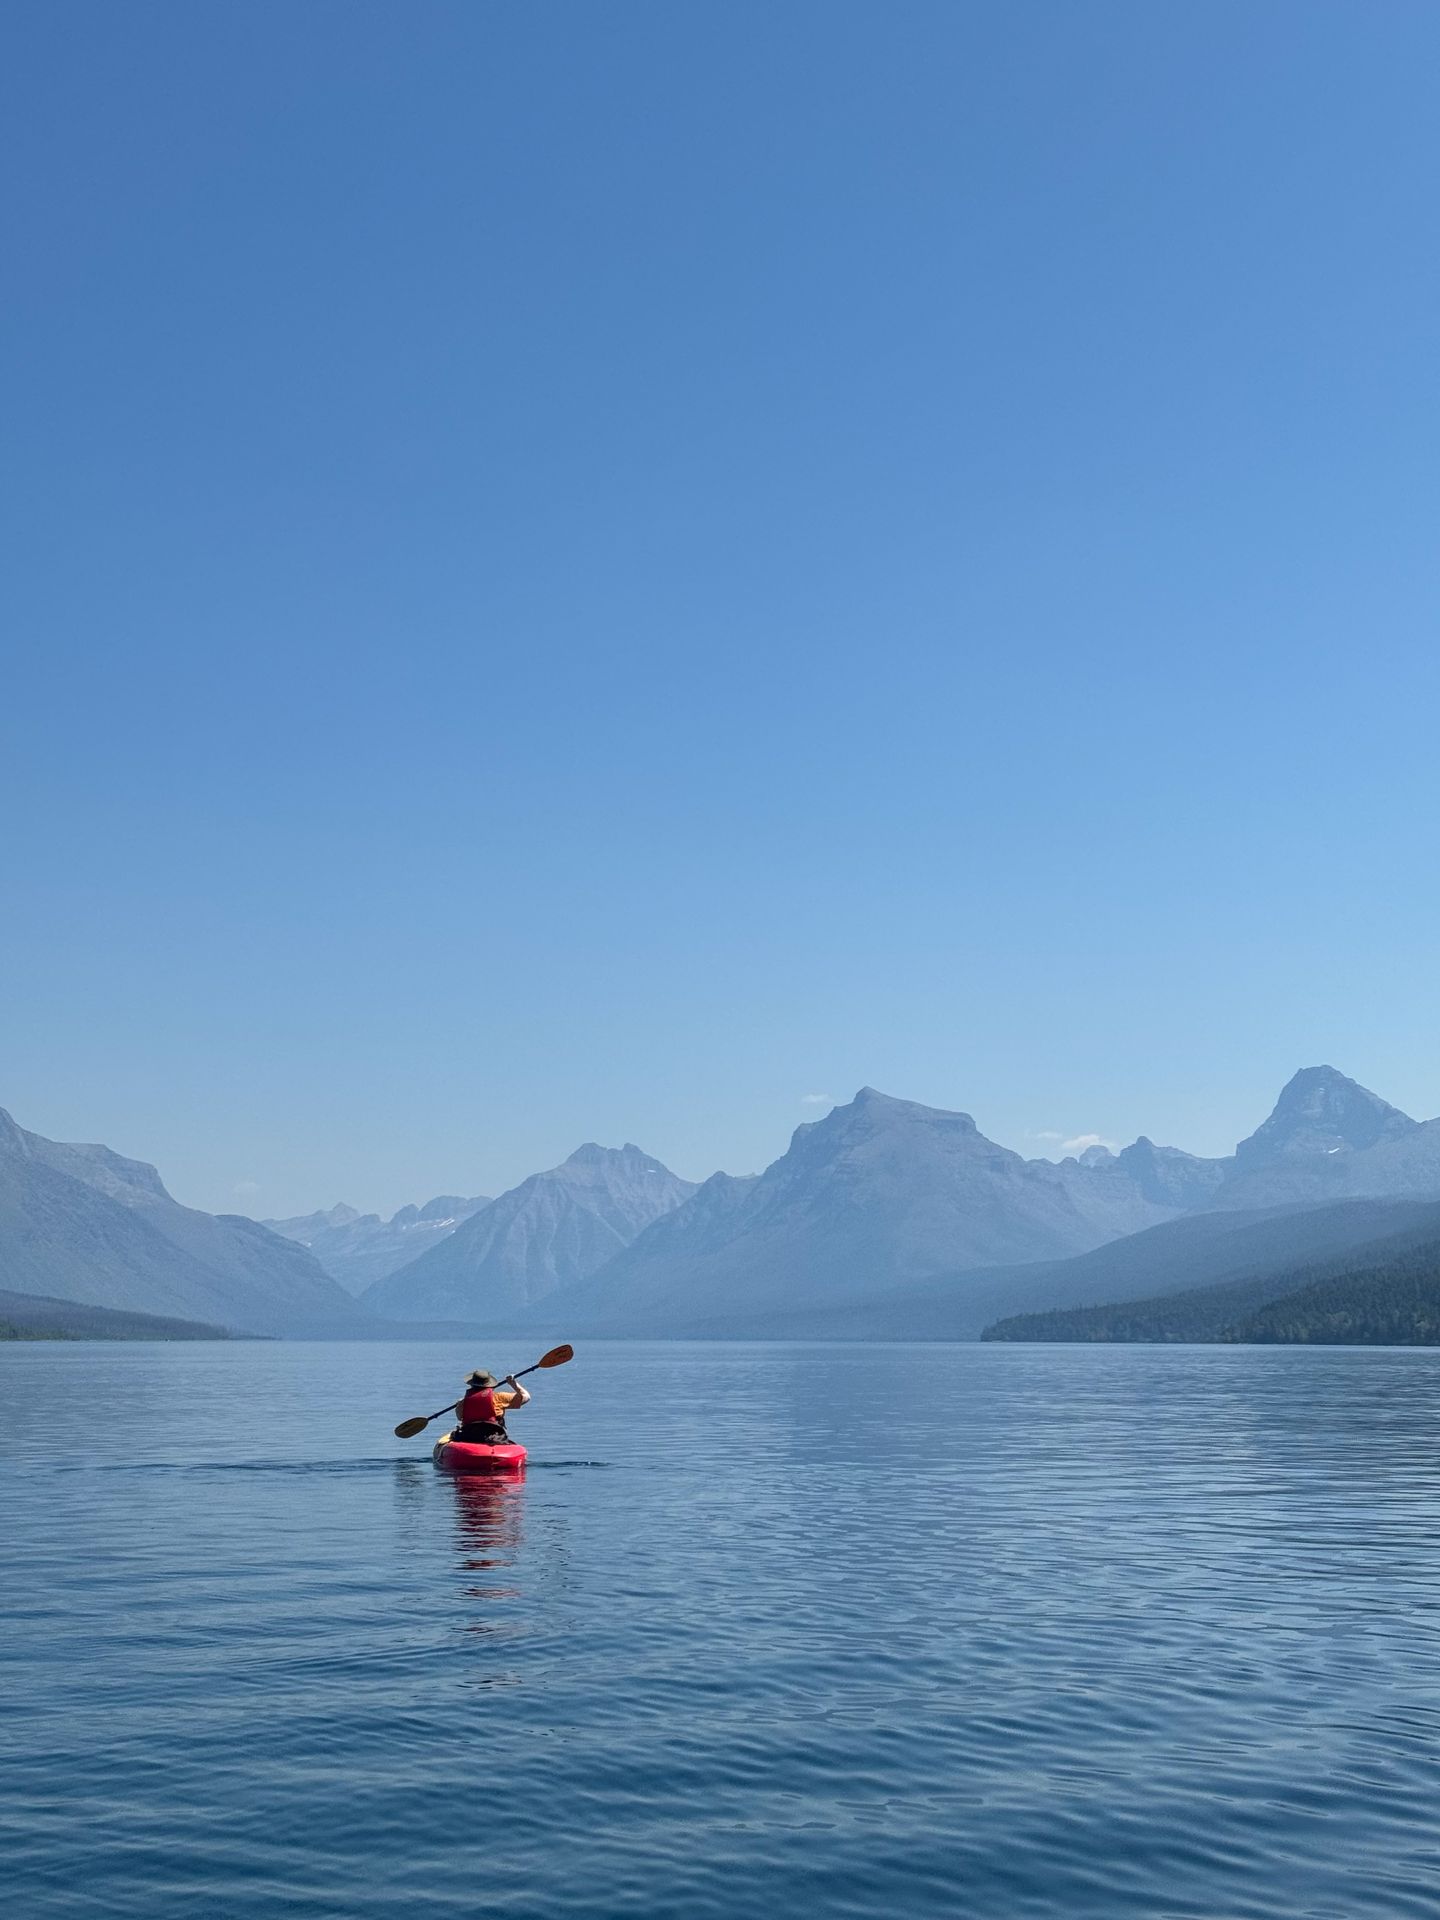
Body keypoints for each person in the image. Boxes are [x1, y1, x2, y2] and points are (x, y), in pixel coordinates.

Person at [452, 1368, 530, 1443]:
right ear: (490, 1384)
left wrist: (459, 1404)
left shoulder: (463, 1402)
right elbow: (526, 1397)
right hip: (494, 1437)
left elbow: (459, 1418)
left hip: (469, 1436)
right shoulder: (499, 1397)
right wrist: (513, 1384)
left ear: (471, 1385)